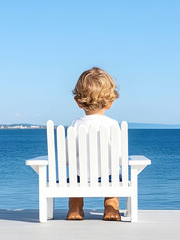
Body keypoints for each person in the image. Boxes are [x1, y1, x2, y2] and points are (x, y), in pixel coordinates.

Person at [67, 67, 121, 221]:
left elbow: (66, 157)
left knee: (74, 176)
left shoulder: (75, 125)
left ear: (78, 102)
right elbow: (119, 157)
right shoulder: (113, 125)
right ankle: (111, 206)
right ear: (110, 102)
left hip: (79, 176)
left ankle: (75, 208)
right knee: (115, 175)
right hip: (109, 177)